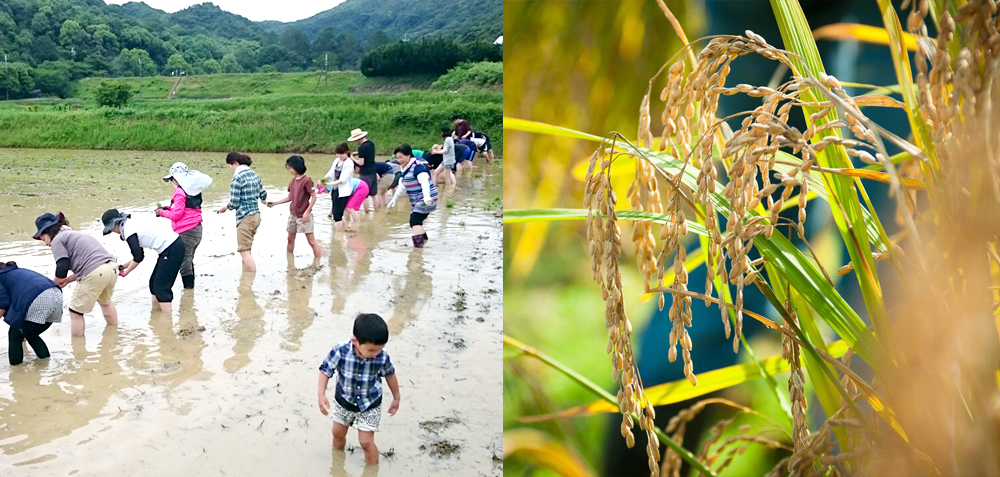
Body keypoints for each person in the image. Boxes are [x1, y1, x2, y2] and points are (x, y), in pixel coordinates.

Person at [317, 313, 400, 466]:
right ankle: (337, 464)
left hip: (370, 404)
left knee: (366, 442)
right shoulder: (341, 350)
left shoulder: (382, 356)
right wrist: (321, 394)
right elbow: (325, 370)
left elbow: (390, 375)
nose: (375, 354)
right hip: (344, 401)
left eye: (379, 350)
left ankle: (372, 470)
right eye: (371, 350)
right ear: (355, 341)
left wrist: (396, 397)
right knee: (337, 433)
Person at [33, 212, 118, 337]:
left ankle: (78, 350)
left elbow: (62, 265)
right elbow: (90, 262)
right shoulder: (74, 234)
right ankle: (114, 333)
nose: (46, 244)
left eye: (43, 239)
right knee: (105, 302)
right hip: (111, 268)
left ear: (49, 231)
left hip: (95, 272)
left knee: (75, 312)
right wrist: (68, 280)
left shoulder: (57, 240)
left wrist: (52, 286)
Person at [103, 209, 184, 313]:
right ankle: (156, 315)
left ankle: (166, 320)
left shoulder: (128, 230)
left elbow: (138, 257)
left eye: (111, 229)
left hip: (172, 248)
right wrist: (123, 266)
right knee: (153, 284)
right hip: (169, 248)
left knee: (161, 287)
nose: (112, 231)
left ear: (115, 223)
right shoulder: (129, 223)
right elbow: (139, 255)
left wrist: (126, 272)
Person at [156, 162, 212, 289]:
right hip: (196, 229)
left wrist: (161, 213)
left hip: (186, 231)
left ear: (176, 179)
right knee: (188, 260)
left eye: (172, 179)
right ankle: (189, 290)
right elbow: (186, 209)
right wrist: (169, 208)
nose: (172, 182)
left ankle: (188, 292)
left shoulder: (179, 192)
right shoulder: (193, 190)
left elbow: (177, 215)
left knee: (184, 263)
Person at [0, 261, 62, 365]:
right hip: (56, 295)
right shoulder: (12, 272)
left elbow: (3, 304)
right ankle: (45, 362)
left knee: (14, 335)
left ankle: (16, 371)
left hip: (38, 299)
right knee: (30, 333)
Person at [217, 152, 267, 272]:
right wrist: (263, 200)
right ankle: (246, 276)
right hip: (256, 216)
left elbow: (234, 202)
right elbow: (263, 194)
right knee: (247, 249)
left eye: (230, 166)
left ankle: (249, 282)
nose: (230, 169)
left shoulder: (237, 177)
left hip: (245, 217)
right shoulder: (254, 174)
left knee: (243, 251)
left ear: (235, 163)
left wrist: (225, 207)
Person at [267, 155, 323, 259]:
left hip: (303, 215)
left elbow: (314, 197)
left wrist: (307, 212)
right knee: (290, 239)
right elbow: (290, 197)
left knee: (311, 241)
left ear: (296, 167)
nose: (289, 171)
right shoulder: (292, 181)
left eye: (290, 168)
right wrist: (275, 203)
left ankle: (317, 262)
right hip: (293, 214)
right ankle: (290, 263)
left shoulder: (307, 180)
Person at [388, 144, 439, 248]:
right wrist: (394, 198)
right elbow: (402, 185)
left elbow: (424, 182)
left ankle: (418, 249)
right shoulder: (405, 168)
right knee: (417, 221)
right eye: (397, 158)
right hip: (419, 198)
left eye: (401, 157)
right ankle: (424, 242)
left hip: (427, 197)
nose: (399, 160)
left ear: (408, 155)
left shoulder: (417, 166)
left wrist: (426, 196)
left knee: (415, 221)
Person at [349, 128, 379, 212]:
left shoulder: (361, 148)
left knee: (364, 195)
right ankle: (378, 212)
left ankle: (366, 212)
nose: (355, 142)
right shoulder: (371, 144)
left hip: (365, 173)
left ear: (358, 139)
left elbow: (361, 163)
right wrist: (358, 153)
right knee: (374, 194)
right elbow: (368, 154)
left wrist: (352, 158)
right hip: (373, 170)